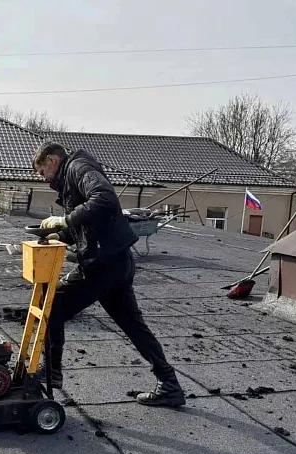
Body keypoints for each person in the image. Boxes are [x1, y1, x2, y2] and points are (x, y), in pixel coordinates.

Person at [32, 141, 185, 407]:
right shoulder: (71, 175)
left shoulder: (78, 167)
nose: (42, 178)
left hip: (102, 263)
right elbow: (91, 222)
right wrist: (63, 234)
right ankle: (169, 384)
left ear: (52, 161)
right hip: (115, 261)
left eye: (42, 171)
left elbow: (103, 199)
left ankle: (50, 375)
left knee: (52, 307)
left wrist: (65, 220)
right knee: (133, 325)